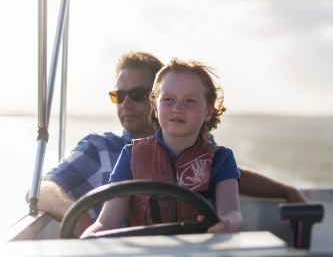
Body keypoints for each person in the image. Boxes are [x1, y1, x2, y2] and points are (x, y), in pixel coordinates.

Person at [37, 52, 307, 237]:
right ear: (158, 103)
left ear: (208, 111)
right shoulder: (112, 151)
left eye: (137, 93)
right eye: (120, 95)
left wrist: (284, 191)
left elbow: (234, 182)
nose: (127, 102)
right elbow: (47, 190)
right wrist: (86, 229)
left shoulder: (212, 152)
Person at [81, 58, 242, 237]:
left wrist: (226, 222)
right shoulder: (130, 155)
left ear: (209, 111)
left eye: (190, 101)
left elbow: (232, 214)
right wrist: (89, 237)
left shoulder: (221, 159)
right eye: (169, 99)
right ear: (155, 108)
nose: (177, 108)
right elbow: (106, 222)